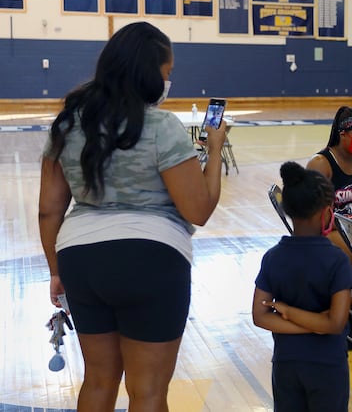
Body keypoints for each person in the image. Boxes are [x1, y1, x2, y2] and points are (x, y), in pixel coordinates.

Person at [38, 21, 226, 411]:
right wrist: (215, 152)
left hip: (81, 258)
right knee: (149, 391)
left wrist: (57, 270)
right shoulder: (161, 126)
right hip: (151, 257)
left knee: (97, 381)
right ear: (149, 72)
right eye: (167, 72)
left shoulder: (69, 123)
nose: (168, 80)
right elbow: (199, 210)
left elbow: (49, 209)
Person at [252, 161, 352, 412]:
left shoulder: (273, 257)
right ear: (327, 212)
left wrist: (289, 311)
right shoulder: (338, 260)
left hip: (286, 364)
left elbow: (260, 316)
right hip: (328, 366)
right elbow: (335, 323)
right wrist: (317, 324)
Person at [306, 106, 352, 352]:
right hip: (326, 231)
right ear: (343, 134)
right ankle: (351, 325)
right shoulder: (321, 163)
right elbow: (314, 217)